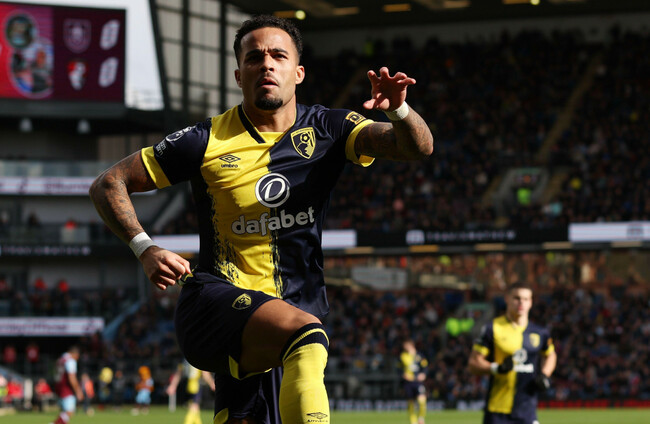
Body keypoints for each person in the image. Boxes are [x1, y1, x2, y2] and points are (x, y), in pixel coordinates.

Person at [89, 14, 433, 424]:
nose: (266, 64)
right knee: (308, 336)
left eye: (278, 56)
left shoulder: (331, 128)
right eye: (254, 58)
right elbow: (108, 183)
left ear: (298, 72)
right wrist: (145, 248)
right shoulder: (205, 140)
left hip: (282, 325)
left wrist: (399, 110)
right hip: (216, 305)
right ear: (239, 76)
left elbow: (416, 148)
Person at [467, 282, 557, 424]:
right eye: (517, 298)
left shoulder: (540, 332)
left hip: (527, 411)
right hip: (498, 411)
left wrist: (545, 374)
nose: (521, 303)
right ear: (507, 299)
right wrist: (497, 368)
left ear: (531, 302)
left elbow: (550, 355)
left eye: (526, 299)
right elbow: (473, 363)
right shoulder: (492, 328)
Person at [51, 346, 84, 424]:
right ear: (75, 354)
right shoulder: (70, 361)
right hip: (66, 387)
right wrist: (78, 390)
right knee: (69, 411)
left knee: (64, 412)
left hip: (58, 386)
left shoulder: (61, 359)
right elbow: (72, 377)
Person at [399, 340, 428, 424]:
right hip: (408, 382)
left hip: (418, 381)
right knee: (411, 403)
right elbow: (399, 368)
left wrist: (423, 374)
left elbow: (425, 367)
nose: (405, 348)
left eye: (407, 346)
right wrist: (403, 374)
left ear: (411, 345)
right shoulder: (403, 356)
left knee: (421, 400)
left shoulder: (419, 356)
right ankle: (413, 422)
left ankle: (421, 418)